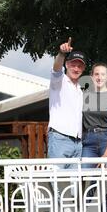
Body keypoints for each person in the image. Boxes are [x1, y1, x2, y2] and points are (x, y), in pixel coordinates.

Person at [47, 37, 86, 169]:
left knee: (74, 187)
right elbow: (56, 69)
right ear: (66, 64)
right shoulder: (59, 81)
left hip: (77, 142)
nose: (76, 68)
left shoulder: (81, 90)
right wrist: (62, 53)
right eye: (73, 64)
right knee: (58, 184)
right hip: (59, 138)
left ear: (83, 69)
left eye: (80, 66)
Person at [81, 62, 107, 167]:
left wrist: (106, 155)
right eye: (96, 74)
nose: (99, 77)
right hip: (88, 141)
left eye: (103, 74)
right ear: (91, 77)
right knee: (86, 174)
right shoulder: (84, 97)